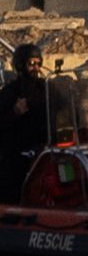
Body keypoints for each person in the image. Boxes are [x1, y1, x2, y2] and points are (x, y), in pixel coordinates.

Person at [0, 44, 47, 202]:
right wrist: (14, 112)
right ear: (20, 65)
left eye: (38, 63)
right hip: (17, 151)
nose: (35, 68)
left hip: (43, 146)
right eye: (31, 63)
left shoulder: (45, 88)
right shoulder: (9, 93)